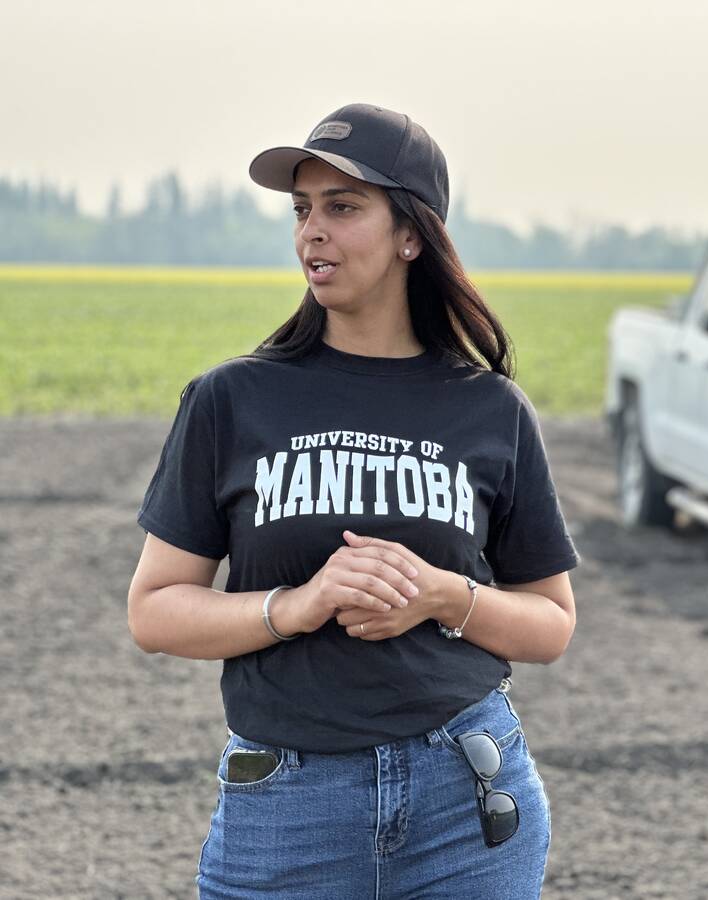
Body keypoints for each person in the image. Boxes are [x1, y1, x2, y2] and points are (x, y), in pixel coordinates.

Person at [126, 103, 581, 898]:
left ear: (412, 234)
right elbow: (155, 609)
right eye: (303, 210)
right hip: (285, 808)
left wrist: (440, 594)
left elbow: (552, 624)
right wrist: (297, 605)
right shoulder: (232, 399)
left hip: (465, 801)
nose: (312, 232)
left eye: (342, 207)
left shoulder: (491, 409)